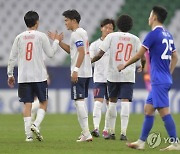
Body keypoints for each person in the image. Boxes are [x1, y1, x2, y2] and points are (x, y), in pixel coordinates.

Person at [118, 6, 179, 151]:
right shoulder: (168, 34)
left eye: (150, 15)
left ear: (155, 18)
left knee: (164, 112)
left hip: (158, 80)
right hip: (163, 78)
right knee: (148, 109)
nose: (148, 18)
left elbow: (139, 55)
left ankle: (176, 143)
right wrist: (168, 73)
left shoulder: (153, 35)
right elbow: (175, 57)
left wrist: (124, 65)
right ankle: (141, 142)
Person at [7, 11, 60, 142]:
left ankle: (28, 136)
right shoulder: (41, 36)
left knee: (27, 104)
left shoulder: (19, 37)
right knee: (44, 102)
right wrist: (57, 41)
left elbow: (12, 58)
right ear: (37, 22)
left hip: (23, 76)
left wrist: (10, 74)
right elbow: (51, 54)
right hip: (39, 76)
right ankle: (35, 125)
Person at [91, 14, 143, 140]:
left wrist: (90, 61)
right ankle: (123, 133)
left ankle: (112, 132)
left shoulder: (111, 36)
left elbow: (100, 53)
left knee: (112, 103)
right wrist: (142, 65)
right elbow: (142, 56)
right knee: (125, 102)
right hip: (128, 75)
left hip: (112, 74)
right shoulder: (135, 39)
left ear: (118, 25)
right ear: (130, 26)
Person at [48, 9, 93, 142]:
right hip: (87, 72)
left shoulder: (76, 34)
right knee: (80, 102)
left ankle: (87, 133)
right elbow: (72, 50)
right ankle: (85, 132)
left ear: (73, 20)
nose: (65, 23)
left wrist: (76, 70)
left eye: (66, 20)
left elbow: (81, 52)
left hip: (79, 72)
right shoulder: (82, 32)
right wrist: (59, 41)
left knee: (78, 102)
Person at [89, 19, 115, 139]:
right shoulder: (94, 45)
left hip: (112, 79)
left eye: (111, 28)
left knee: (110, 106)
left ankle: (106, 129)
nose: (108, 30)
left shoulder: (114, 45)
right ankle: (95, 128)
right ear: (101, 28)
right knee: (97, 104)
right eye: (106, 27)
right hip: (99, 78)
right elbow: (89, 60)